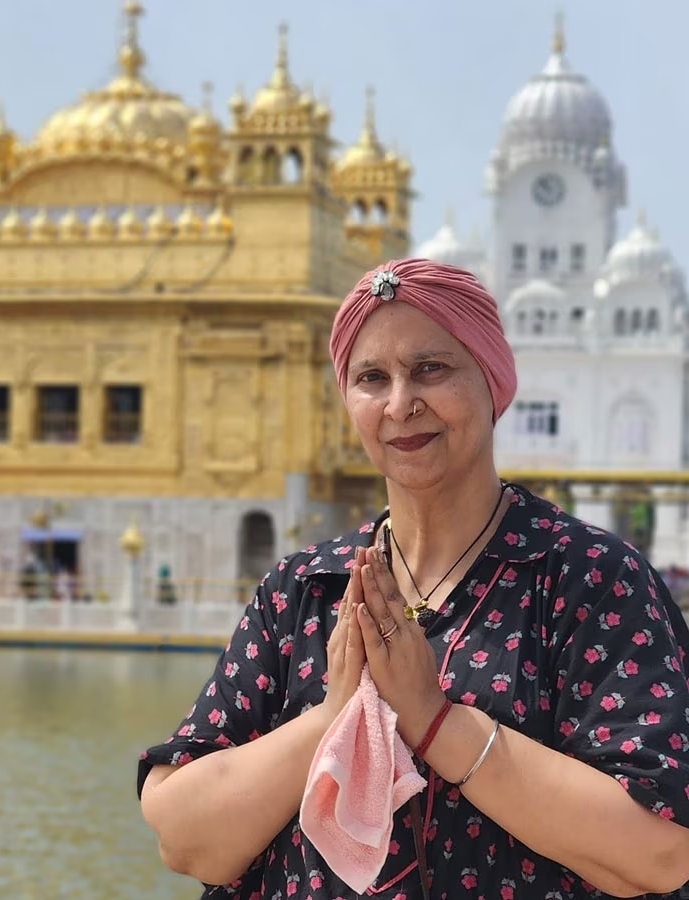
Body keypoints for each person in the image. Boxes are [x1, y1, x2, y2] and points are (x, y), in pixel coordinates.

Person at [137, 258, 689, 899]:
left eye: (432, 369)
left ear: (493, 381)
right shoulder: (307, 589)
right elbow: (185, 838)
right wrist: (334, 716)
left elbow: (659, 849)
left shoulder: (585, 580)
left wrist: (434, 721)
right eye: (373, 377)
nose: (402, 403)